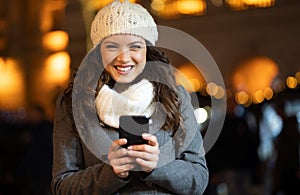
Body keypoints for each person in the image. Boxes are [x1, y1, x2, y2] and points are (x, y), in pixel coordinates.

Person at [51, 1, 209, 194]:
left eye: (135, 46)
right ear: (98, 50)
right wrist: (111, 172)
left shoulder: (174, 96)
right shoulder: (74, 102)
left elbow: (198, 179)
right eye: (112, 46)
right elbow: (62, 186)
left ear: (147, 50)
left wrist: (157, 165)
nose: (124, 58)